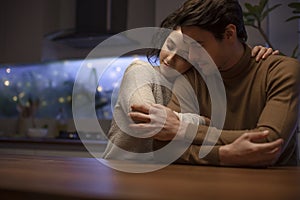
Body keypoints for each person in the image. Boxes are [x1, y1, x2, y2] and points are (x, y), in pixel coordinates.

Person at [129, 0, 300, 167]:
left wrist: (182, 130)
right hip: (204, 187)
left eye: (199, 45)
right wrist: (223, 155)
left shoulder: (281, 71)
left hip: (273, 186)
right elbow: (162, 146)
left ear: (229, 34)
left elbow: (269, 141)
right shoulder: (192, 76)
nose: (192, 57)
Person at [102, 24, 278, 160]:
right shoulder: (140, 70)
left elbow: (186, 137)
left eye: (184, 55)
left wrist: (253, 57)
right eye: (169, 45)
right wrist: (202, 121)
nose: (170, 58)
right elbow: (148, 119)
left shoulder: (193, 84)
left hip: (166, 173)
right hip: (124, 169)